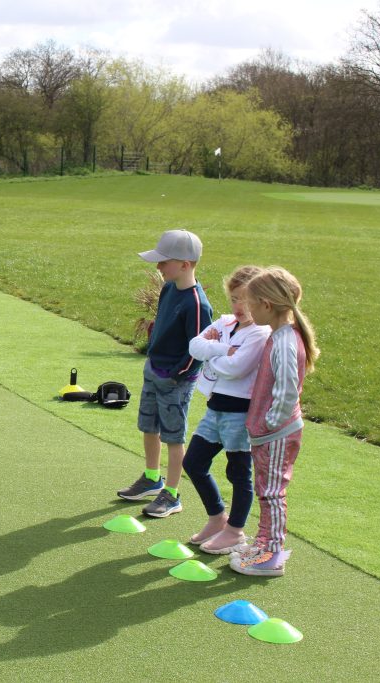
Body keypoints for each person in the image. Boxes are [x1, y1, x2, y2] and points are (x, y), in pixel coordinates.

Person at [230, 266, 319, 577]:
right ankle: (263, 543)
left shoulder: (284, 341)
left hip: (276, 433)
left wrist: (269, 423)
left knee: (272, 493)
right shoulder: (279, 335)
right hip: (267, 433)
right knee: (265, 490)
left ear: (266, 305)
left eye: (251, 303)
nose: (248, 309)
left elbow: (286, 390)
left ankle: (272, 554)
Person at [118, 229, 212, 517]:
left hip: (175, 381)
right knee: (149, 427)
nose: (158, 266)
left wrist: (175, 375)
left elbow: (197, 351)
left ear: (185, 264)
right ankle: (152, 478)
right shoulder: (169, 288)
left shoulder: (197, 304)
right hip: (154, 370)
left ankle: (171, 494)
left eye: (164, 261)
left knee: (173, 437)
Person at [182, 266, 270, 553]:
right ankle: (218, 518)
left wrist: (211, 356)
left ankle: (235, 531)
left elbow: (236, 369)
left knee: (238, 473)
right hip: (215, 408)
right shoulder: (225, 323)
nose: (239, 306)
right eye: (234, 299)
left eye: (246, 300)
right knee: (193, 463)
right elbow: (195, 346)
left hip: (239, 413)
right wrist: (221, 350)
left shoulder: (259, 333)